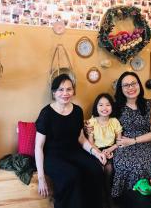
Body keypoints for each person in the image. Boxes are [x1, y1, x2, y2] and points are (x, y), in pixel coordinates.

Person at [35, 74, 106, 208]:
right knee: (72, 175)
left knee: (95, 169)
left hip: (74, 152)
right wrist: (40, 178)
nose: (65, 93)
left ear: (73, 91)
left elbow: (81, 138)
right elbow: (38, 147)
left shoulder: (77, 111)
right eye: (61, 90)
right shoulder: (46, 113)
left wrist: (96, 153)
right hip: (53, 156)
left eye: (69, 89)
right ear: (54, 92)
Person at [111, 71, 151, 199]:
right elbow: (103, 121)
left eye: (133, 83)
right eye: (126, 85)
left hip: (145, 143)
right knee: (124, 163)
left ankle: (139, 200)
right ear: (120, 89)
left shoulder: (149, 104)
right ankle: (124, 199)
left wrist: (133, 140)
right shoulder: (116, 106)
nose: (131, 87)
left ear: (139, 85)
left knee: (141, 165)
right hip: (123, 145)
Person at [86, 93, 123, 207]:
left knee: (109, 168)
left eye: (108, 105)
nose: (104, 108)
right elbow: (90, 143)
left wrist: (109, 150)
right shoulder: (92, 122)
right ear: (96, 107)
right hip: (96, 150)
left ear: (112, 107)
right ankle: (101, 198)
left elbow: (119, 141)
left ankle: (108, 196)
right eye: (100, 105)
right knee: (99, 168)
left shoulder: (114, 121)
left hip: (112, 149)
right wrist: (100, 153)